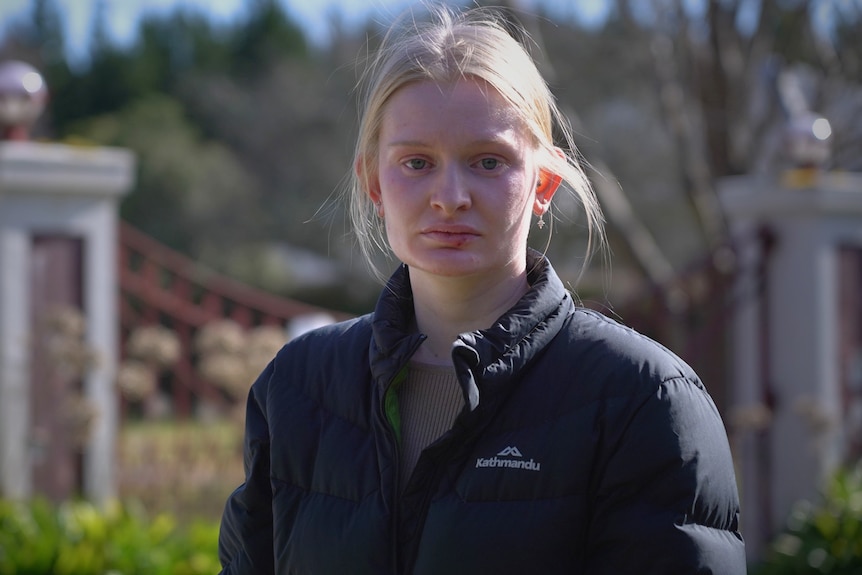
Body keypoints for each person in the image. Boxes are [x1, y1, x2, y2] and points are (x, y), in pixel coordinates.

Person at [218, 5, 745, 574]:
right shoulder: (298, 388)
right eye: (416, 162)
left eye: (488, 162)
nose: (450, 195)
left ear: (543, 182)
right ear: (373, 180)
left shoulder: (642, 399)